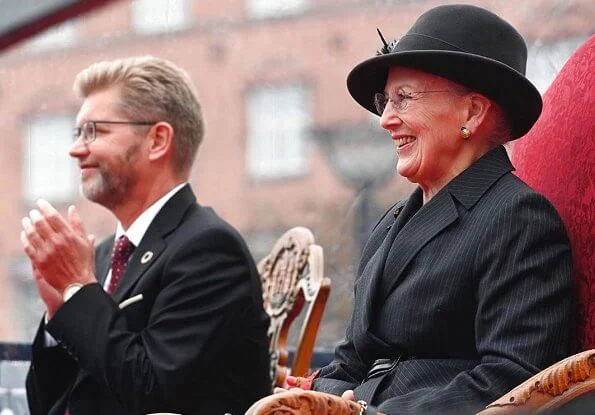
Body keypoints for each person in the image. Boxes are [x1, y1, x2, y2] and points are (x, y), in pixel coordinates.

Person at [286, 4, 573, 414]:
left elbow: (514, 380)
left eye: (403, 98)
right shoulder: (390, 224)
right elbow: (350, 362)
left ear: (471, 113)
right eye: (385, 100)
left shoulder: (519, 218)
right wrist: (319, 399)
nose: (385, 119)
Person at [20, 56, 271, 415]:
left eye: (95, 131)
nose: (76, 150)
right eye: (77, 133)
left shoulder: (209, 250)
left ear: (157, 140)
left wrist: (77, 289)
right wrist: (58, 311)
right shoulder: (104, 255)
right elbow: (51, 405)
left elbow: (151, 394)